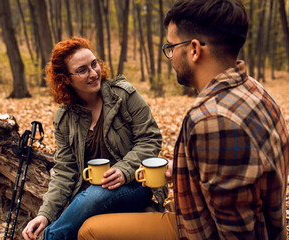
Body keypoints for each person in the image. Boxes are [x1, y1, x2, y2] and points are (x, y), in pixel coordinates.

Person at [78, 0, 289, 239]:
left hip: (194, 230)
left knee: (89, 231)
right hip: (255, 225)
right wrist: (181, 170)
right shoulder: (257, 91)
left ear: (195, 50)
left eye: (171, 46)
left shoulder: (212, 120)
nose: (170, 56)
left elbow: (236, 233)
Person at [21, 37, 166, 240]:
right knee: (90, 204)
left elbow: (150, 139)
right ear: (66, 79)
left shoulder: (124, 95)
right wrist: (45, 215)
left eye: (94, 64)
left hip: (136, 184)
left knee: (95, 196)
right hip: (89, 196)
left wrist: (124, 170)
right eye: (82, 70)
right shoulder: (65, 117)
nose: (93, 73)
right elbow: (65, 170)